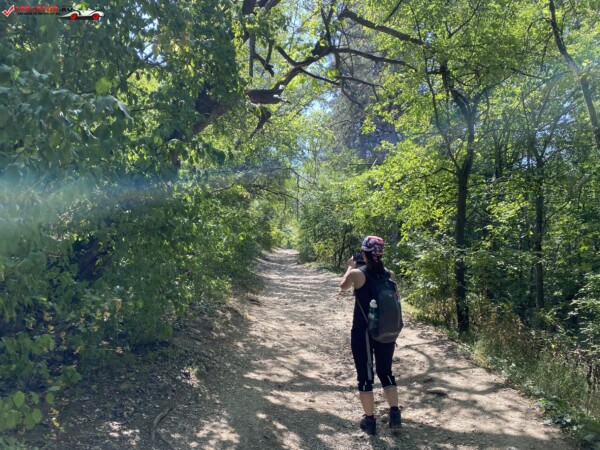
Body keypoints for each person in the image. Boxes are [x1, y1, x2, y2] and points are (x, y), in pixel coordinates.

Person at [340, 235, 401, 435]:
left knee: (365, 376)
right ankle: (395, 414)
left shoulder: (357, 274)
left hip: (363, 332)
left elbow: (343, 286)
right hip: (386, 331)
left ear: (363, 253)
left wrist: (350, 266)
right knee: (386, 372)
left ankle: (370, 420)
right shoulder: (390, 274)